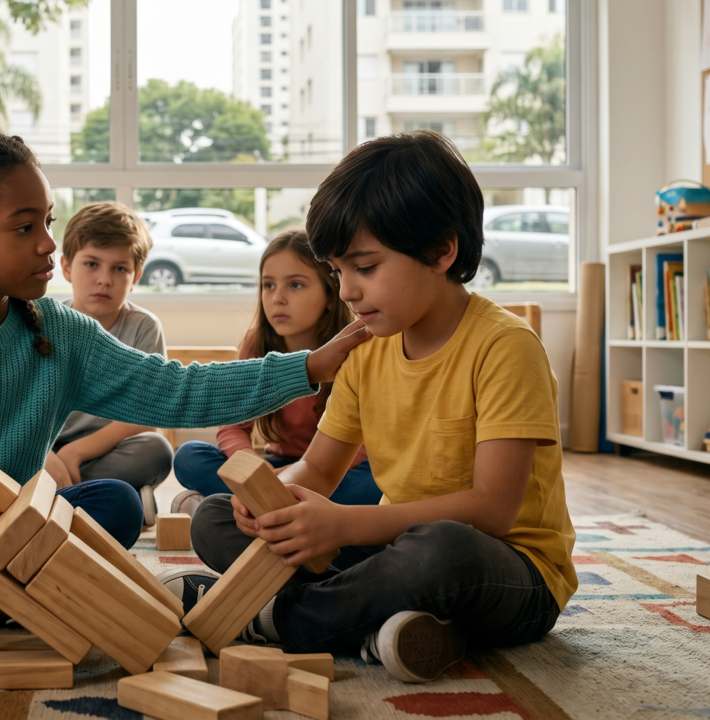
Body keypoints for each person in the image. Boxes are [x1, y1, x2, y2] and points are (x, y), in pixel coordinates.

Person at [0, 128, 370, 633]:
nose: (48, 244)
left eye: (47, 221)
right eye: (25, 228)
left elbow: (175, 389)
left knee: (113, 503)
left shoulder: (61, 332)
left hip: (13, 546)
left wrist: (307, 367)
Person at [168, 131, 576, 684]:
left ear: (441, 251)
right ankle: (381, 624)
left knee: (439, 551)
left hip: (505, 572)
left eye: (364, 267)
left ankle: (277, 617)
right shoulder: (365, 349)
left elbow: (492, 510)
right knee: (216, 518)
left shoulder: (506, 346)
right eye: (337, 272)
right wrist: (275, 499)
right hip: (391, 550)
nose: (347, 292)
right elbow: (318, 469)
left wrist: (343, 525)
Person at [169, 230, 384, 518]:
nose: (277, 298)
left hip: (337, 470)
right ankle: (267, 504)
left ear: (331, 295)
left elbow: (363, 445)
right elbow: (233, 425)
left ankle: (243, 507)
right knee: (189, 456)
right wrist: (253, 467)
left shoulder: (355, 347)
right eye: (268, 285)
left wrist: (286, 478)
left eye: (295, 285)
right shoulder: (256, 343)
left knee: (377, 482)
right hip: (276, 464)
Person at [45, 201, 174, 525]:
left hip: (106, 448)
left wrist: (75, 453)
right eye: (91, 264)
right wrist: (47, 455)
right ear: (66, 266)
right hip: (43, 445)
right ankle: (94, 496)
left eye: (119, 269)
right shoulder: (44, 323)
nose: (104, 279)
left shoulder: (143, 326)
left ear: (136, 277)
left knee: (156, 450)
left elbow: (148, 414)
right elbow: (21, 410)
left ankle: (57, 496)